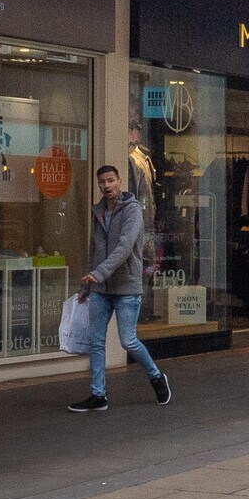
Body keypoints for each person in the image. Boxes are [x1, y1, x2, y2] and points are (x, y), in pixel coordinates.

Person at [68, 164, 171, 412]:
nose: (106, 186)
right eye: (102, 182)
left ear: (119, 181)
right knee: (96, 342)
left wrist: (99, 273)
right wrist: (87, 285)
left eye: (110, 180)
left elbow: (124, 248)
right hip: (100, 290)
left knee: (128, 341)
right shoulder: (98, 212)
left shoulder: (132, 211)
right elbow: (94, 250)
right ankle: (98, 395)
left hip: (126, 288)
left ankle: (157, 377)